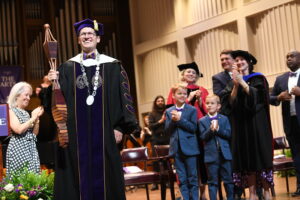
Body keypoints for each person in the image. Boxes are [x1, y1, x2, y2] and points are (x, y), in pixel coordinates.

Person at [47, 19, 139, 200]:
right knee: (76, 174)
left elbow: (125, 99)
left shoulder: (113, 66)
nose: (87, 36)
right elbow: (59, 103)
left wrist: (121, 127)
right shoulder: (66, 68)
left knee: (106, 175)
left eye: (91, 34)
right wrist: (53, 84)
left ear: (98, 39)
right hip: (75, 134)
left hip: (105, 132)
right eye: (83, 34)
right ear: (78, 40)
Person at [221, 50, 273, 200]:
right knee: (246, 157)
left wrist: (243, 82)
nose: (239, 62)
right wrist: (236, 85)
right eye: (236, 60)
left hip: (257, 124)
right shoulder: (232, 82)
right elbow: (227, 104)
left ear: (249, 62)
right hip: (241, 125)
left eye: (242, 59)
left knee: (260, 156)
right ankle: (252, 193)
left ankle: (266, 191)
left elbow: (259, 98)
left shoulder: (258, 78)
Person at [167, 62, 208, 199]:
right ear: (182, 75)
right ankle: (186, 196)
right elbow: (168, 122)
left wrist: (200, 101)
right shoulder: (175, 93)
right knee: (183, 173)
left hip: (197, 134)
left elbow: (208, 109)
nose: (191, 74)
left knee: (197, 168)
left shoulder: (201, 90)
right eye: (188, 72)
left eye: (193, 72)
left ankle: (201, 194)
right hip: (178, 140)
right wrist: (189, 99)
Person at [270, 50, 300, 197]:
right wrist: (278, 97)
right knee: (297, 156)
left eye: (292, 56)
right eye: (287, 57)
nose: (288, 59)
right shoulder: (280, 79)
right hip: (291, 123)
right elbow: (269, 99)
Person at [165, 83, 199, 200]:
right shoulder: (169, 111)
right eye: (179, 93)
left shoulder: (191, 110)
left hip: (190, 148)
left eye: (185, 93)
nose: (182, 95)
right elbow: (168, 131)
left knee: (192, 177)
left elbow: (193, 128)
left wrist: (180, 120)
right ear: (173, 95)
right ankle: (185, 197)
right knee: (182, 178)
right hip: (176, 149)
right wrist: (173, 121)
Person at [199, 94, 234, 200]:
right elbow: (203, 137)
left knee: (228, 180)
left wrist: (218, 129)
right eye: (207, 103)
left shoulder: (224, 119)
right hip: (211, 156)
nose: (209, 105)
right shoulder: (202, 121)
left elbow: (228, 135)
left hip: (225, 155)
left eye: (212, 103)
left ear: (218, 106)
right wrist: (211, 130)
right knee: (212, 182)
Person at [6, 82, 44, 176]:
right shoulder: (11, 111)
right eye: (26, 95)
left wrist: (37, 119)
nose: (29, 98)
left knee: (32, 179)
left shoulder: (26, 113)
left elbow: (34, 134)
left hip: (30, 148)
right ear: (17, 95)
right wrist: (33, 118)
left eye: (29, 95)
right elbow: (18, 130)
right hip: (19, 148)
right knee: (22, 179)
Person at [148, 95, 169, 190]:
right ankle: (155, 183)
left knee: (166, 160)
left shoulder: (167, 112)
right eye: (158, 101)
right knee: (156, 161)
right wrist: (160, 122)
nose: (160, 102)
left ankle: (167, 181)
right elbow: (151, 126)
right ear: (155, 103)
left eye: (162, 100)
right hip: (156, 140)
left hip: (166, 139)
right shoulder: (151, 114)